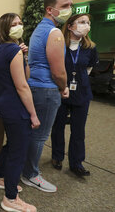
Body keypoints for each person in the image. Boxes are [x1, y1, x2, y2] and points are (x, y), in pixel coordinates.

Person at [21, 0, 72, 193]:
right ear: (50, 9)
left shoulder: (39, 29)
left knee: (33, 132)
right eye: (66, 5)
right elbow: (58, 71)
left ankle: (25, 169)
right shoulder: (55, 33)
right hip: (46, 89)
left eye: (70, 4)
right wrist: (64, 86)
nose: (70, 9)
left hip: (35, 86)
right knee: (40, 135)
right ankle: (31, 174)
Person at [0, 13, 40, 212]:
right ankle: (10, 198)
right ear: (5, 28)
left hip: (4, 105)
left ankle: (0, 177)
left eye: (20, 23)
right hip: (16, 107)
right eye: (14, 24)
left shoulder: (1, 49)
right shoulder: (12, 50)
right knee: (18, 152)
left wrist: (25, 57)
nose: (19, 26)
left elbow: (24, 74)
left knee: (11, 145)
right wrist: (34, 114)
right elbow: (22, 85)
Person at [51, 14, 98, 176]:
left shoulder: (90, 48)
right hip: (61, 91)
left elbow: (89, 69)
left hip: (82, 92)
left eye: (88, 23)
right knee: (58, 127)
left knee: (78, 130)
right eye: (82, 22)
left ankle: (76, 163)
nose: (86, 25)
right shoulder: (59, 45)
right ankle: (57, 156)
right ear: (70, 26)